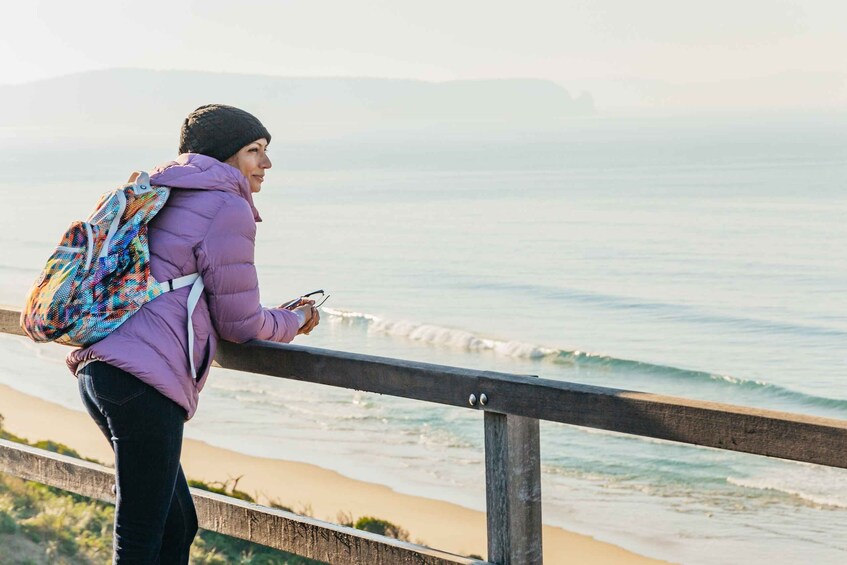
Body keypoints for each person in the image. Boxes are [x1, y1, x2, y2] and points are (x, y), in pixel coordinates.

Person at [66, 104, 319, 563]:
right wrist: (295, 320)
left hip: (102, 372)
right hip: (143, 383)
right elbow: (241, 324)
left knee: (177, 524)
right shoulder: (226, 206)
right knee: (141, 538)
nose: (265, 164)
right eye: (254, 151)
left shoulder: (158, 191)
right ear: (224, 156)